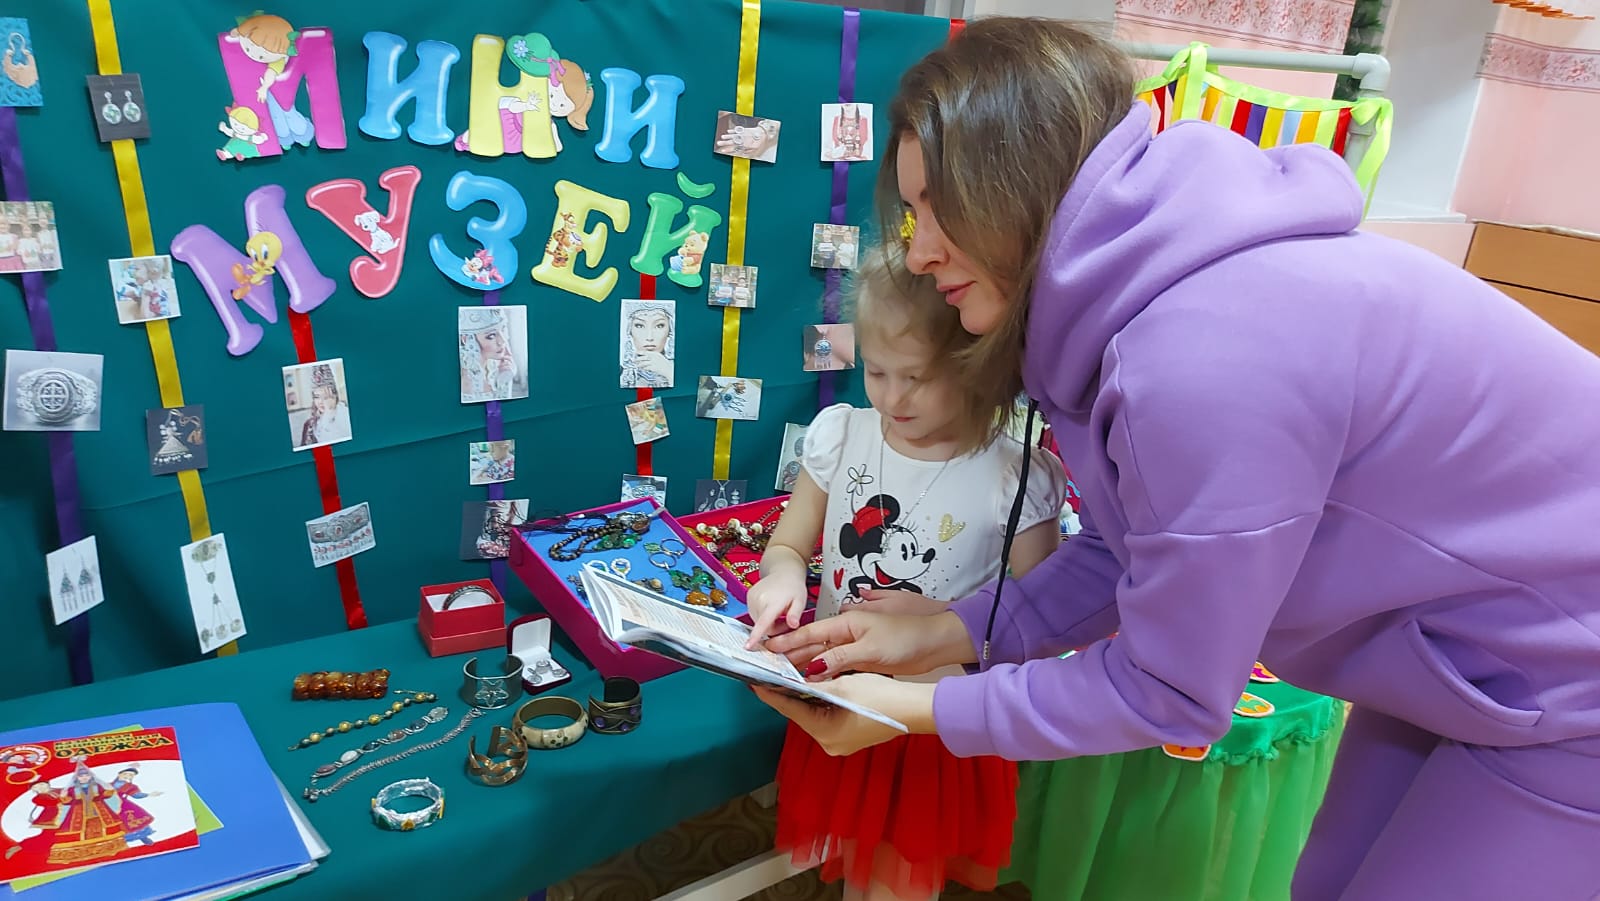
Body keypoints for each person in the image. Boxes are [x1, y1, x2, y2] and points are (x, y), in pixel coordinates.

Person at [753, 17, 1600, 901]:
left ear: (1018, 180)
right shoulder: (1144, 301)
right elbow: (1129, 546)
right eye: (913, 213)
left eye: (940, 209)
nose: (921, 252)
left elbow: (1169, 688)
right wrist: (946, 631)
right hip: (1462, 662)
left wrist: (918, 708)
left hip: (1568, 683)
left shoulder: (1200, 355)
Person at [745, 245, 1066, 901]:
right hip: (840, 690)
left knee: (901, 878)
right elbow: (788, 546)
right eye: (876, 371)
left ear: (979, 364)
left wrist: (945, 621)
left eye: (916, 377)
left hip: (931, 721)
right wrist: (782, 577)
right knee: (854, 855)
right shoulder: (842, 436)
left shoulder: (1015, 476)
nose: (892, 397)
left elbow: (1046, 617)